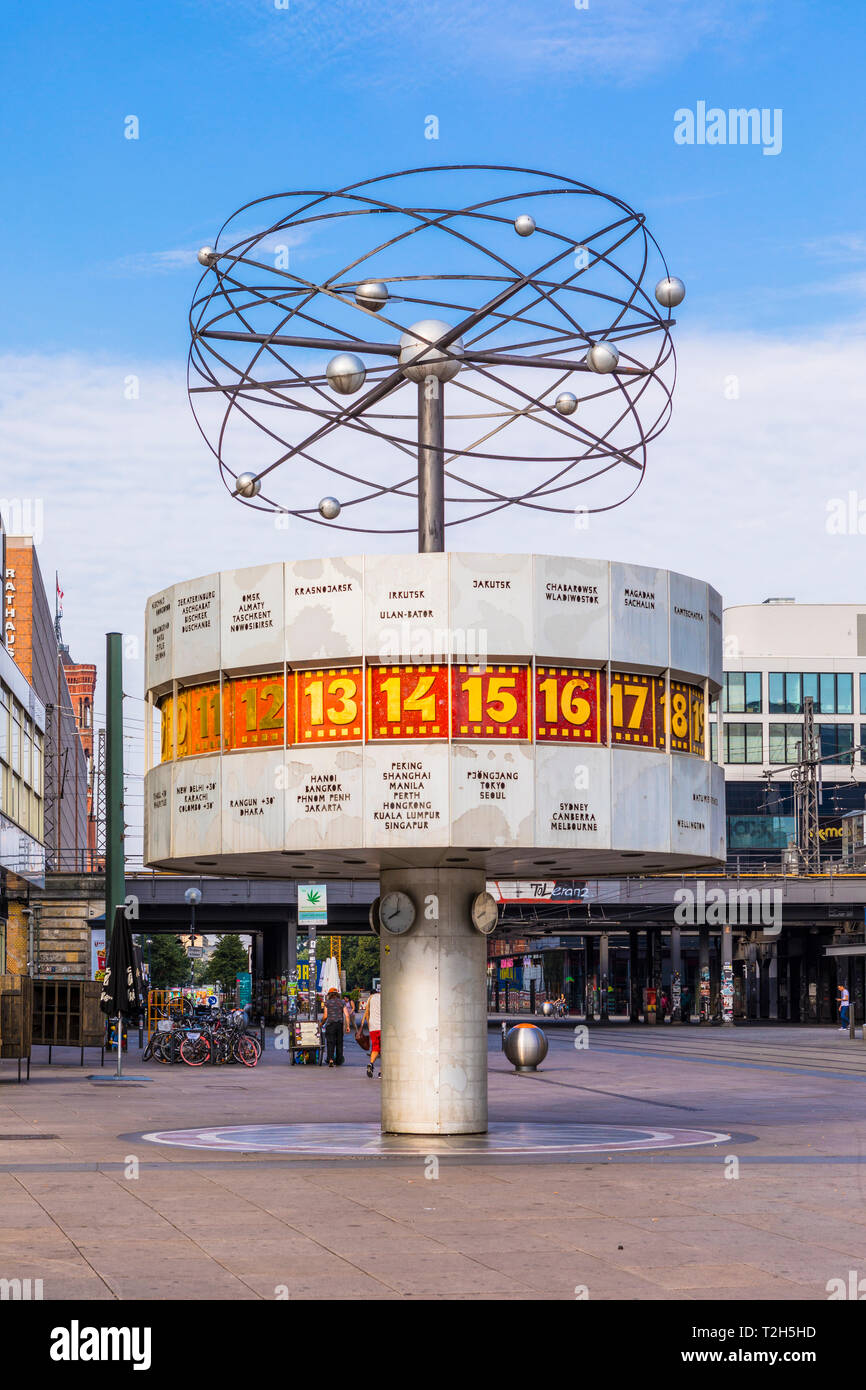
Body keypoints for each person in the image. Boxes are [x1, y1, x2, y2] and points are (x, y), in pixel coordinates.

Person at [361, 982, 381, 1078]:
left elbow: (367, 1012)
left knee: (375, 1047)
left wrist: (369, 1024)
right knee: (385, 1049)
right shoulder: (385, 998)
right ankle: (382, 1071)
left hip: (373, 1027)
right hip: (383, 1027)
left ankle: (371, 1064)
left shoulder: (371, 998)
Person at [323, 987, 346, 1067]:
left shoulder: (327, 1003)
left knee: (330, 1042)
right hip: (339, 1025)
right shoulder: (342, 1002)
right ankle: (339, 1060)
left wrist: (321, 1023)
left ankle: (331, 1059)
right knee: (339, 1043)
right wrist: (347, 1026)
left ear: (329, 994)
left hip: (330, 1025)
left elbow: (325, 1016)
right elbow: (346, 1015)